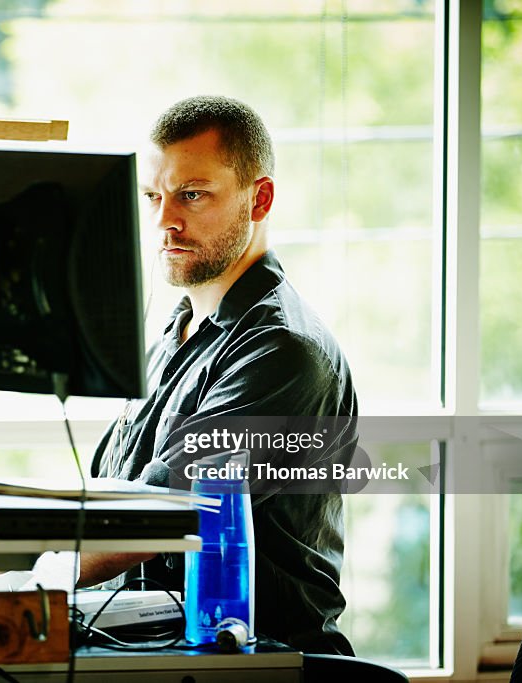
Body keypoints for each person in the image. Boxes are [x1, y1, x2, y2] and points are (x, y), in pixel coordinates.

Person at [80, 95, 358, 656]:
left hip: (254, 667)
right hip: (147, 652)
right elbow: (117, 496)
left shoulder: (281, 350)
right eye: (154, 196)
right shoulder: (174, 336)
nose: (164, 221)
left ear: (260, 199)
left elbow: (166, 512)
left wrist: (5, 571)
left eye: (191, 195)